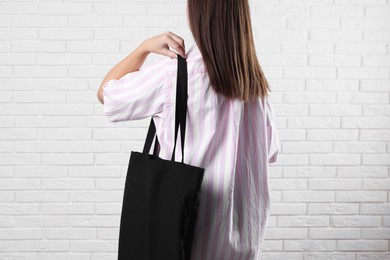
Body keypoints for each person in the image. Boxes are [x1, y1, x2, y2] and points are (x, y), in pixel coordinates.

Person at [97, 0, 280, 259]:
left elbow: (107, 95)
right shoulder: (256, 83)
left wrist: (144, 49)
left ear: (198, 15)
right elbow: (269, 152)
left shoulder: (175, 74)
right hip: (243, 238)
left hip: (189, 235)